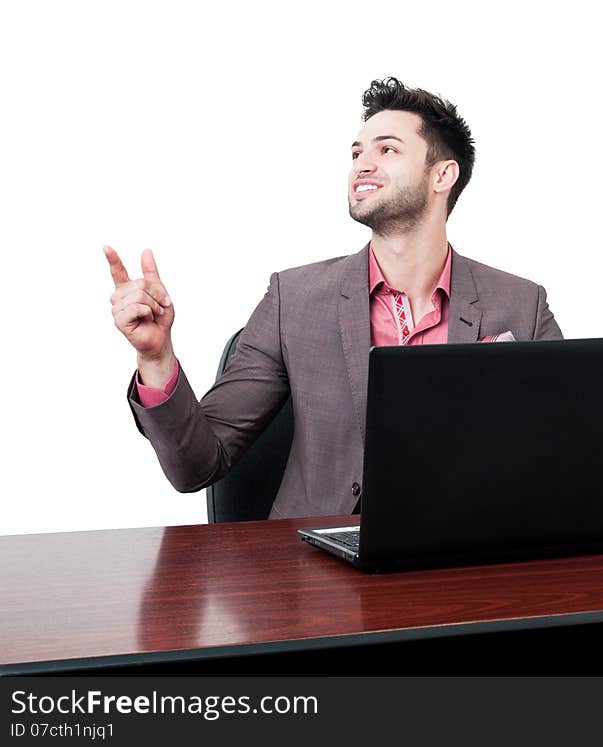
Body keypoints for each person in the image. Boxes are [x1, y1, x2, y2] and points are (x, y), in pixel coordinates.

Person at [105, 77, 563, 519]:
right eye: (357, 153)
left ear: (443, 175)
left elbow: (563, 457)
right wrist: (156, 357)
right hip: (322, 573)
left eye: (387, 149)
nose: (362, 165)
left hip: (468, 561)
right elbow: (197, 465)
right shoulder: (294, 300)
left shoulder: (522, 305)